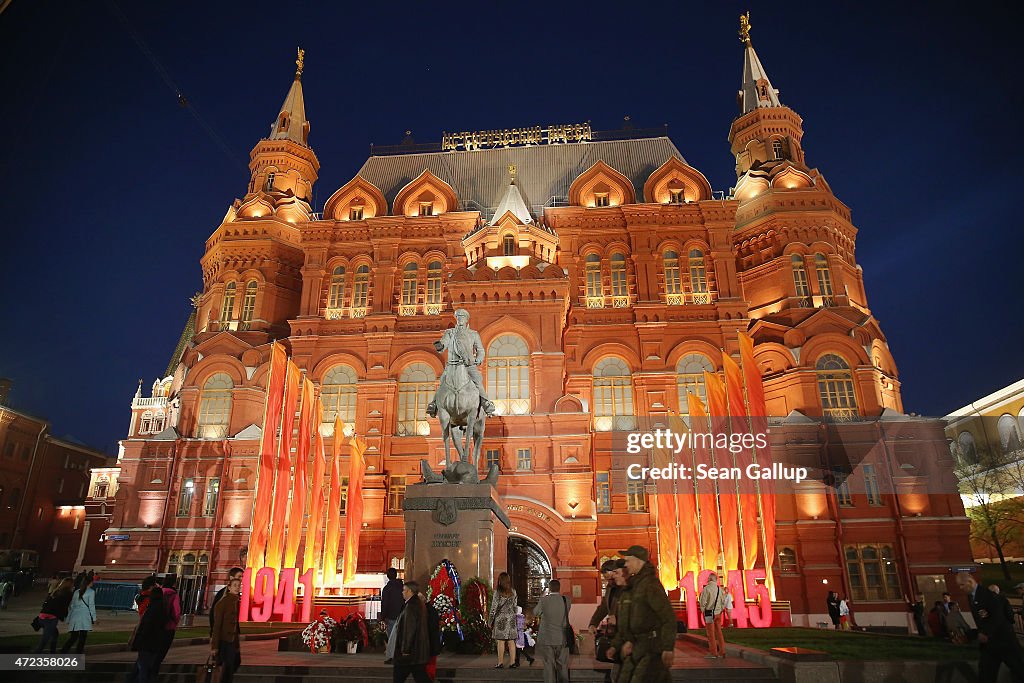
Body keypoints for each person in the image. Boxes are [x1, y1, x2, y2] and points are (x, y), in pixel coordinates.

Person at [607, 545, 676, 682]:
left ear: (639, 561)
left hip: (651, 648)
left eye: (628, 560)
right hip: (637, 647)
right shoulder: (635, 585)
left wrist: (668, 647)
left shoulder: (650, 585)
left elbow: (667, 617)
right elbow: (629, 620)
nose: (626, 564)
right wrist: (621, 643)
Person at [426, 309, 496, 418]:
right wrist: (440, 345)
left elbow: (480, 350)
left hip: (468, 364)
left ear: (466, 319)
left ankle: (486, 403)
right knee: (443, 380)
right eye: (458, 317)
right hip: (453, 365)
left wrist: (478, 358)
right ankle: (434, 404)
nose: (460, 319)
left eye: (462, 317)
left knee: (477, 380)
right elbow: (444, 342)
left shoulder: (473, 334)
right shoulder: (450, 332)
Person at [956, 571, 1024, 682]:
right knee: (986, 674)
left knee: (1019, 669)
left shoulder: (987, 595)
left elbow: (998, 616)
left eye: (962, 584)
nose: (960, 588)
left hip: (1004, 641)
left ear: (970, 581)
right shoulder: (971, 597)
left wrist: (986, 632)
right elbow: (983, 621)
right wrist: (971, 635)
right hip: (989, 645)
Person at [391, 581, 432, 683]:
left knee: (399, 677)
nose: (402, 592)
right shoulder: (418, 604)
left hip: (410, 653)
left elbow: (409, 629)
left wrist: (405, 649)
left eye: (404, 590)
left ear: (410, 591)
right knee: (420, 676)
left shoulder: (411, 606)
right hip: (417, 652)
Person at [534, 579, 571, 683]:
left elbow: (535, 612)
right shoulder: (566, 600)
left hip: (547, 638)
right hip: (562, 637)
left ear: (549, 588)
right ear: (559, 588)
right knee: (563, 665)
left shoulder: (544, 600)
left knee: (549, 665)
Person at [130, 583, 166, 683]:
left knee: (143, 668)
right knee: (147, 667)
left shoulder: (151, 608)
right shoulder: (162, 608)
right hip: (155, 643)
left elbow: (145, 627)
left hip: (146, 643)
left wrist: (138, 641)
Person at [210, 576, 242, 683]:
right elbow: (217, 626)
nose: (237, 588)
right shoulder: (222, 603)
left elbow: (235, 626)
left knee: (234, 663)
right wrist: (214, 646)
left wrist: (237, 644)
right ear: (229, 588)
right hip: (224, 641)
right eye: (235, 586)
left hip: (232, 641)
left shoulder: (236, 602)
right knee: (226, 668)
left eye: (239, 586)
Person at [34, 577, 73, 653]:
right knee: (45, 639)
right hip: (50, 618)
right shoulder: (68, 593)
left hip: (42, 616)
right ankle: (36, 653)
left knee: (55, 634)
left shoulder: (55, 591)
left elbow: (46, 602)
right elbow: (65, 606)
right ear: (70, 585)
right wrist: (65, 616)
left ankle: (53, 652)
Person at [489, 571, 518, 669]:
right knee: (511, 641)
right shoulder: (513, 592)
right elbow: (515, 607)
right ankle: (512, 663)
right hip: (511, 619)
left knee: (501, 641)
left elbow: (493, 608)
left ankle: (500, 663)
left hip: (500, 619)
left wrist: (490, 621)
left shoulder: (497, 592)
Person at [61, 573, 97, 653]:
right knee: (82, 637)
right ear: (90, 582)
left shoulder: (77, 591)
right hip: (84, 616)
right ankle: (78, 653)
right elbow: (91, 605)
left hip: (75, 615)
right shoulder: (91, 592)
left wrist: (69, 618)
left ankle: (63, 651)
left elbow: (72, 605)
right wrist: (94, 618)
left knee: (73, 637)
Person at [154, 574, 182, 672]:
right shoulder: (173, 594)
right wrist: (175, 623)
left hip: (155, 626)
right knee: (161, 652)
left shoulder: (158, 592)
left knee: (152, 652)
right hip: (168, 627)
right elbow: (176, 612)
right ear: (174, 584)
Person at [698, 573, 727, 660]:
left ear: (709, 579)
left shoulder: (706, 589)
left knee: (711, 634)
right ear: (716, 580)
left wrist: (703, 610)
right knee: (719, 632)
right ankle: (722, 651)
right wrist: (720, 610)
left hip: (709, 613)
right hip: (718, 613)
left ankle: (713, 652)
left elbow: (703, 601)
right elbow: (723, 601)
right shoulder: (720, 589)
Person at [208, 567, 244, 634]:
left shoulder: (236, 593)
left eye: (242, 576)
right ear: (231, 578)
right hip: (223, 632)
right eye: (239, 576)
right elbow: (214, 612)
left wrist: (237, 631)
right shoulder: (223, 593)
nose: (241, 579)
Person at [381, 567, 405, 655]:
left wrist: (382, 617)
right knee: (400, 635)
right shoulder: (402, 587)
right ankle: (398, 653)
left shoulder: (387, 588)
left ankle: (393, 655)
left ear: (387, 576)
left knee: (391, 636)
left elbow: (385, 604)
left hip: (391, 615)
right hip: (402, 615)